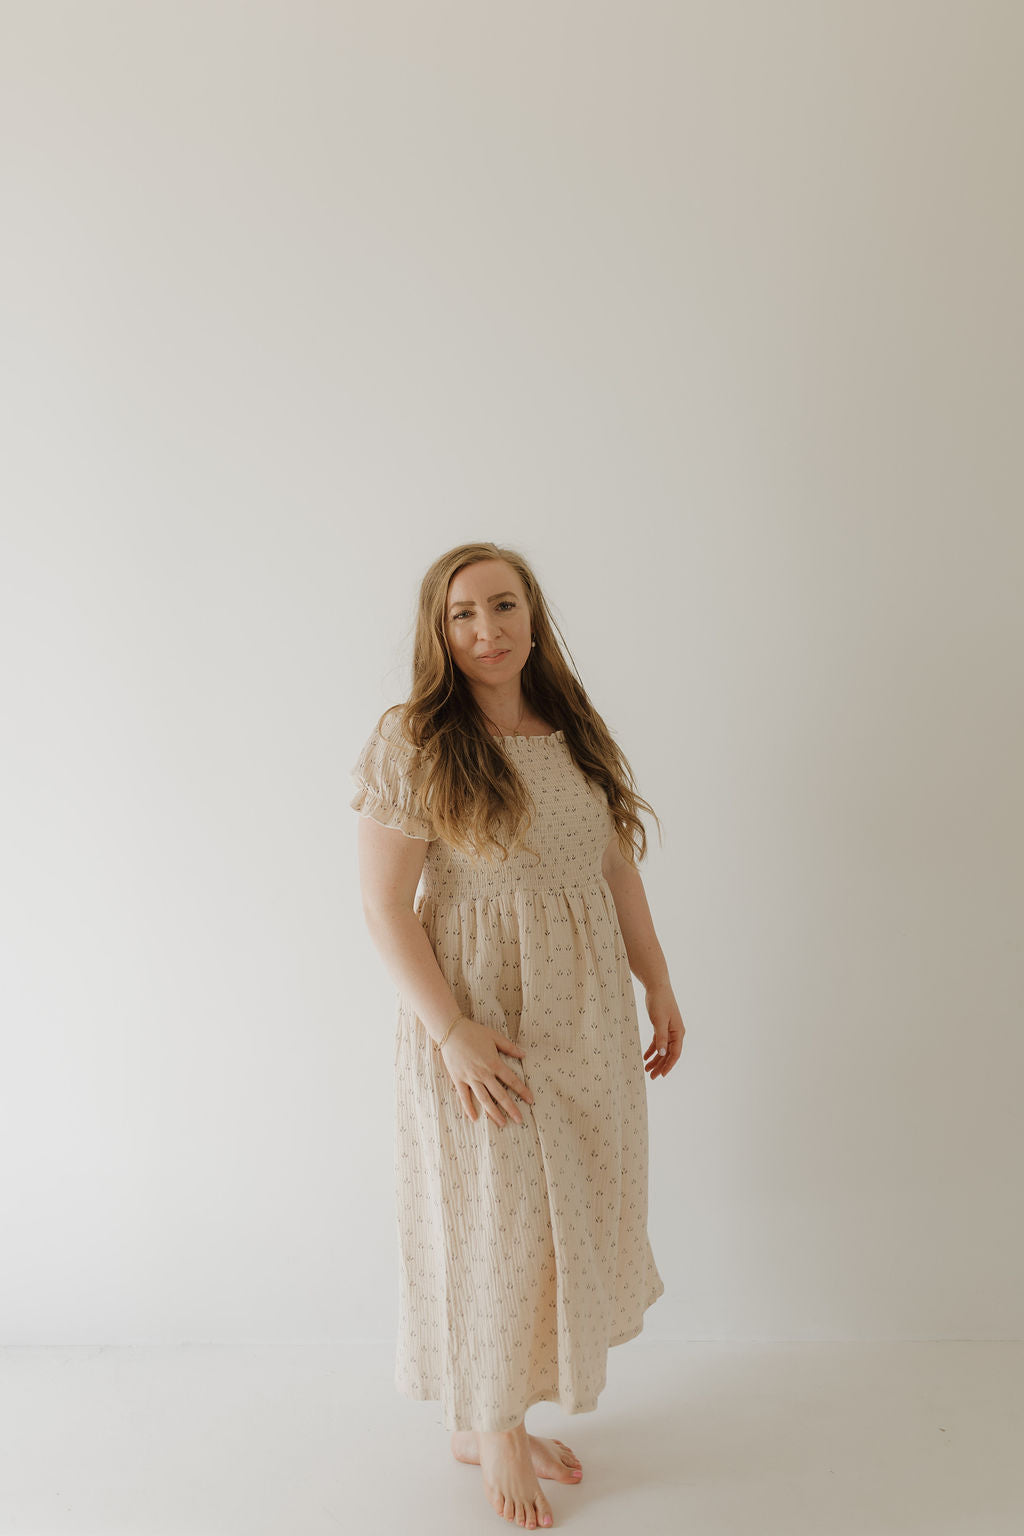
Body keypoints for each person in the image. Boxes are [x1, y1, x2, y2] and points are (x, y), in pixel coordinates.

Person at [350, 541, 685, 1530]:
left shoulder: (572, 732)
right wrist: (449, 1031)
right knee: (493, 1221)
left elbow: (614, 869)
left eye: (501, 607)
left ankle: (495, 1412)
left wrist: (657, 979)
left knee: (550, 1230)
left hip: (581, 1023)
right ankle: (492, 1429)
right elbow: (382, 907)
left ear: (532, 617)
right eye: (462, 615)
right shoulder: (416, 739)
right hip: (482, 1021)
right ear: (438, 632)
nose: (485, 630)